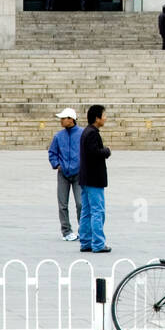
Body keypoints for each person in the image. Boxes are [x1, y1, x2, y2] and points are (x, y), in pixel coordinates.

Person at [78, 104, 112, 253]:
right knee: (98, 211)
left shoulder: (86, 132)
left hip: (86, 178)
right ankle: (98, 243)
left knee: (86, 211)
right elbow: (94, 153)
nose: (105, 118)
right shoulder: (92, 133)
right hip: (93, 179)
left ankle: (85, 241)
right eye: (104, 115)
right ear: (97, 118)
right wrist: (106, 151)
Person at [48, 107, 83, 242]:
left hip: (78, 174)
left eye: (63, 118)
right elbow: (52, 152)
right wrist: (56, 164)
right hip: (63, 173)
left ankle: (83, 230)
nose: (61, 121)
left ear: (71, 119)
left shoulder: (82, 134)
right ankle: (66, 230)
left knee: (80, 203)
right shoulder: (58, 136)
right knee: (63, 204)